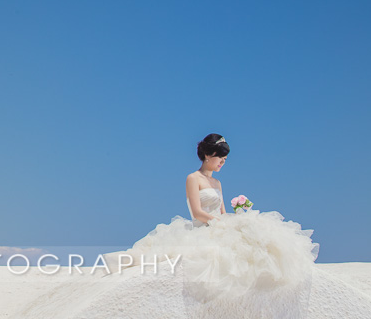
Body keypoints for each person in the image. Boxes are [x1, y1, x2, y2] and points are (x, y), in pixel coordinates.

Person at [124, 133, 319, 315]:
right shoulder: (193, 178)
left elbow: (223, 212)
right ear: (208, 155)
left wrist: (233, 219)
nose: (222, 163)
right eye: (220, 159)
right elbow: (197, 212)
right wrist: (219, 223)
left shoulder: (217, 183)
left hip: (219, 225)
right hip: (203, 228)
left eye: (225, 160)